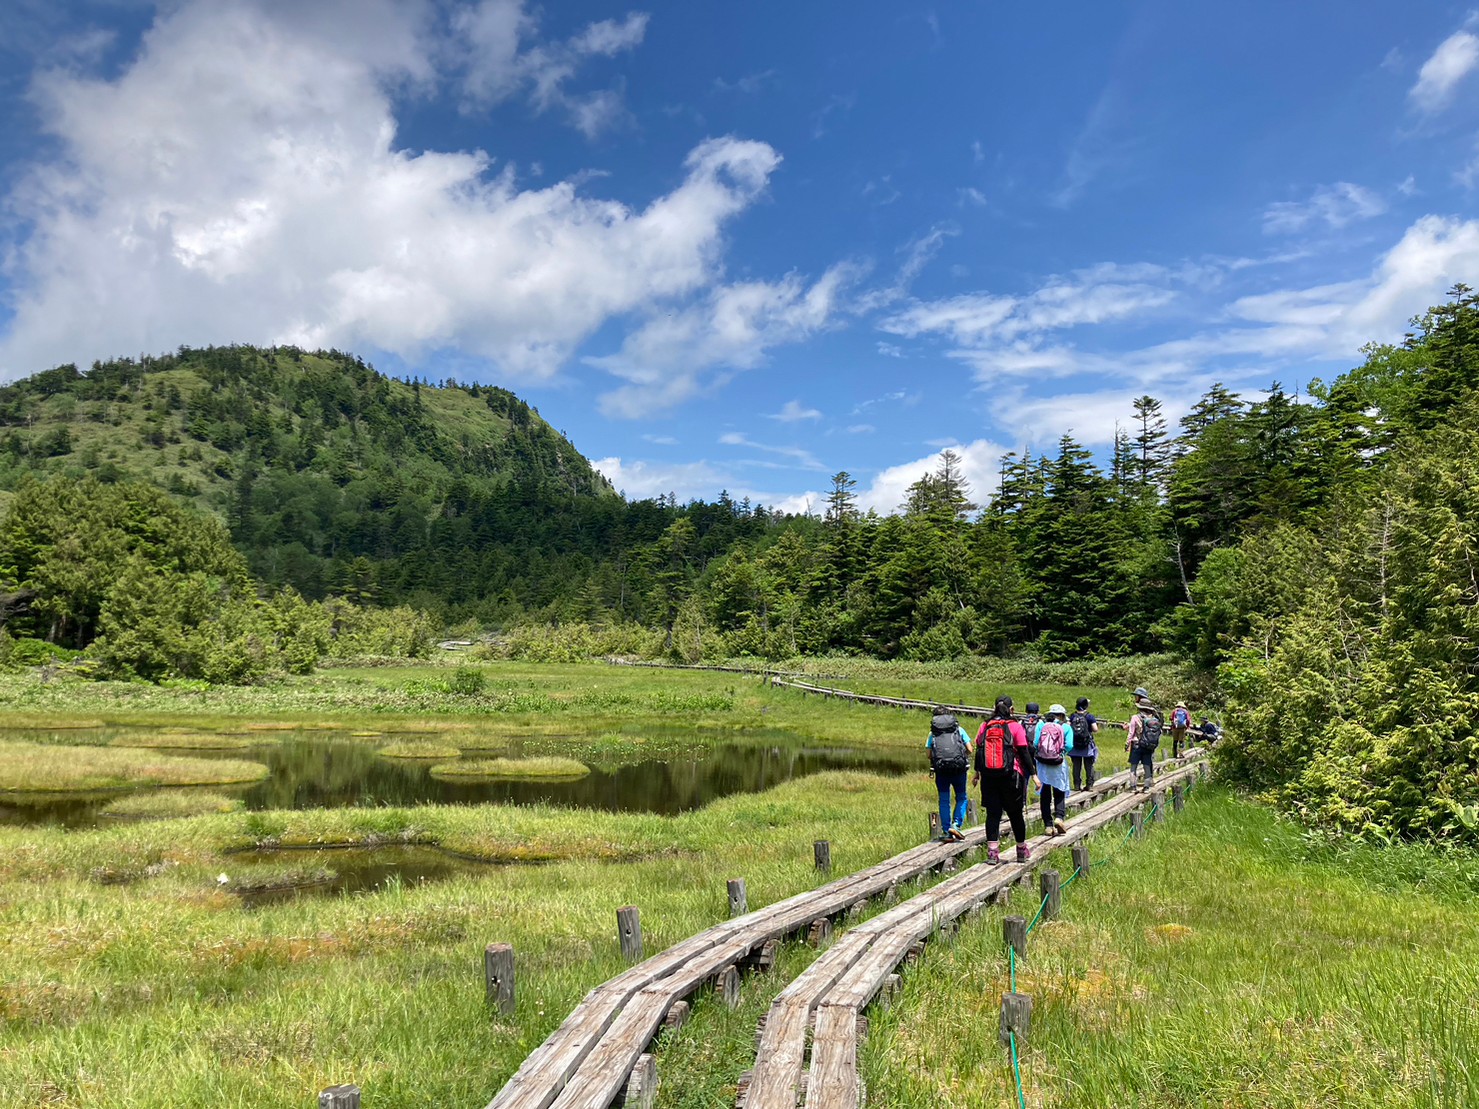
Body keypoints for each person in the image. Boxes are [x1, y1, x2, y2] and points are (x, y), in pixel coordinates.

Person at [973, 695, 1035, 864]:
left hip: (989, 777)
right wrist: (1034, 774)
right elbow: (1024, 752)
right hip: (1012, 776)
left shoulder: (985, 725)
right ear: (1012, 709)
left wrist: (977, 773)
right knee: (1015, 814)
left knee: (993, 814)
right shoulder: (1014, 726)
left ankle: (993, 853)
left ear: (994, 708)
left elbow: (979, 749)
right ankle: (1021, 850)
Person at [926, 707, 972, 841]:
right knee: (962, 797)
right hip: (959, 769)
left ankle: (947, 830)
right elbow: (970, 748)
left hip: (941, 771)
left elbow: (929, 754)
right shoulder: (959, 730)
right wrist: (961, 757)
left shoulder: (932, 733)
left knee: (944, 800)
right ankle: (956, 825)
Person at [1032, 704, 1073, 834]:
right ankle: (1059, 817)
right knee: (1059, 790)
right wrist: (1061, 753)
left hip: (1042, 763)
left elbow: (1035, 743)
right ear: (1061, 715)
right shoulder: (1065, 727)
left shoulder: (1041, 725)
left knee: (1045, 794)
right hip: (1058, 763)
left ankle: (1048, 825)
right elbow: (1070, 745)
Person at [1126, 693, 1163, 792]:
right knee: (1147, 765)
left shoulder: (1135, 717)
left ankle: (1133, 787)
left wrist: (1127, 743)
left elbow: (1131, 732)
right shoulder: (1153, 718)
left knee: (1134, 766)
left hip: (1136, 744)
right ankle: (1146, 787)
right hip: (1147, 745)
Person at [1067, 696, 1099, 790]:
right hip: (1086, 744)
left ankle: (1077, 785)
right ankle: (1089, 784)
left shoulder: (1072, 716)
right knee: (1088, 765)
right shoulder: (1089, 716)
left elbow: (1068, 727)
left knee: (1076, 766)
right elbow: (1095, 729)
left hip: (1075, 744)